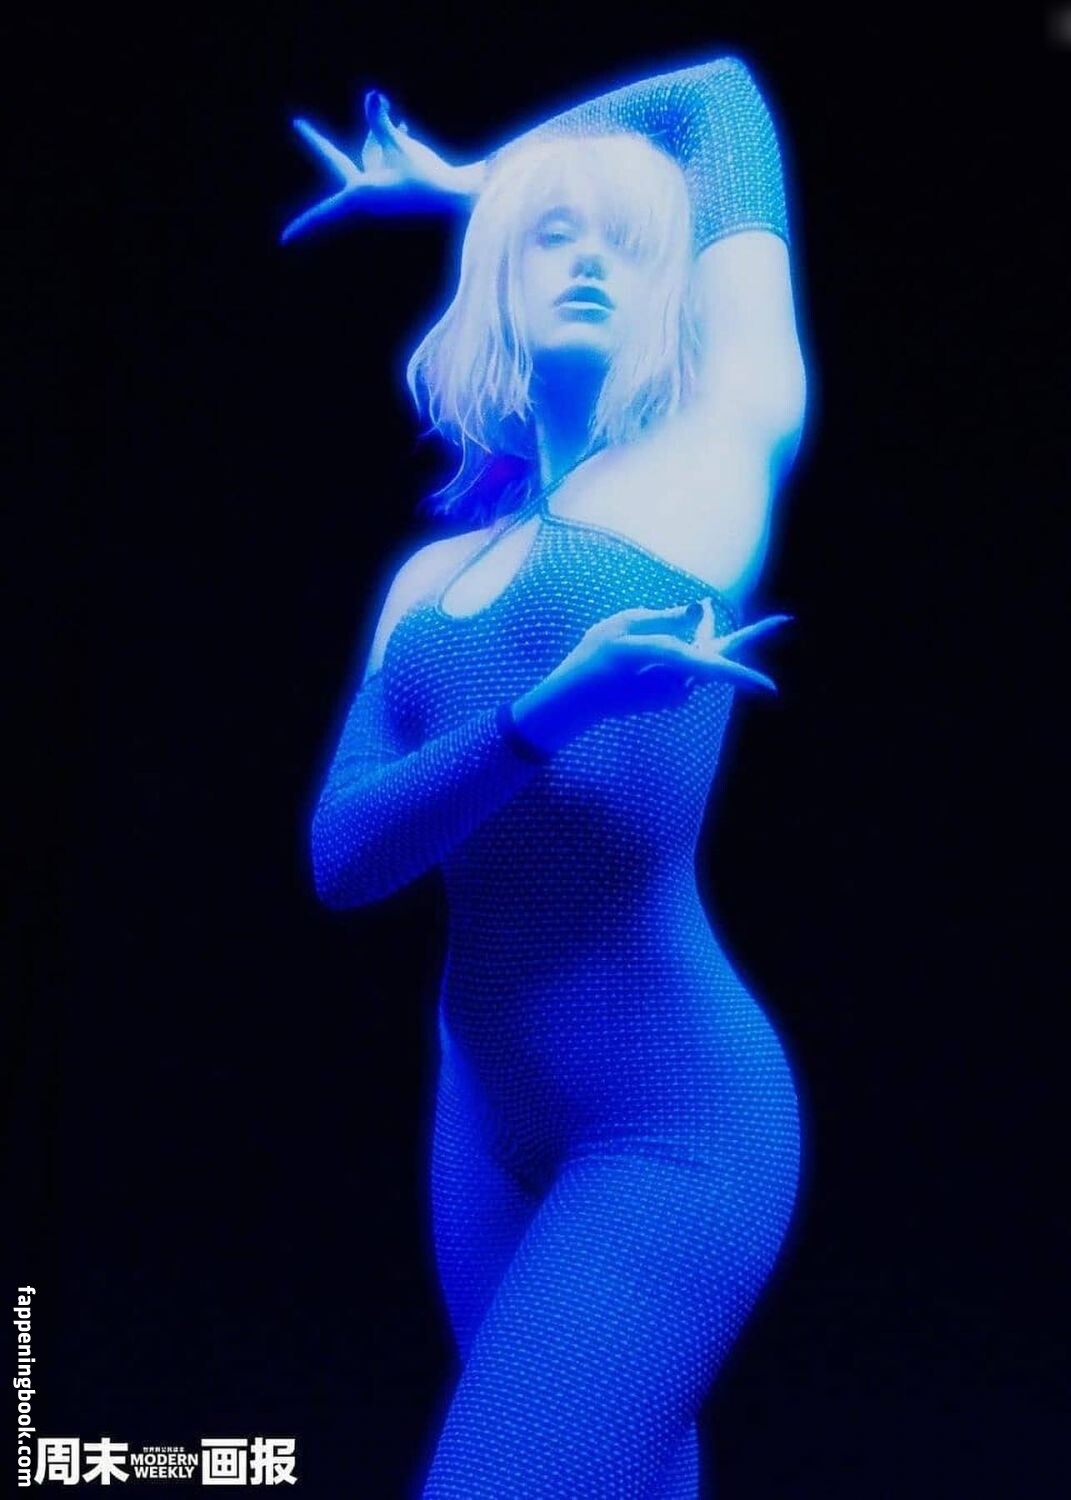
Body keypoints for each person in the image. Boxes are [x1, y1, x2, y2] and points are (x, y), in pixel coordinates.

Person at [286, 54, 811, 1499]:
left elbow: (718, 100)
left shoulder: (712, 454)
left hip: (674, 1118)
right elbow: (343, 858)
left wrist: (480, 176)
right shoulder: (428, 580)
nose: (586, 263)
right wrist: (549, 709)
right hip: (478, 1115)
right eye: (550, 238)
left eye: (625, 245)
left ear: (673, 292)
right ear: (496, 287)